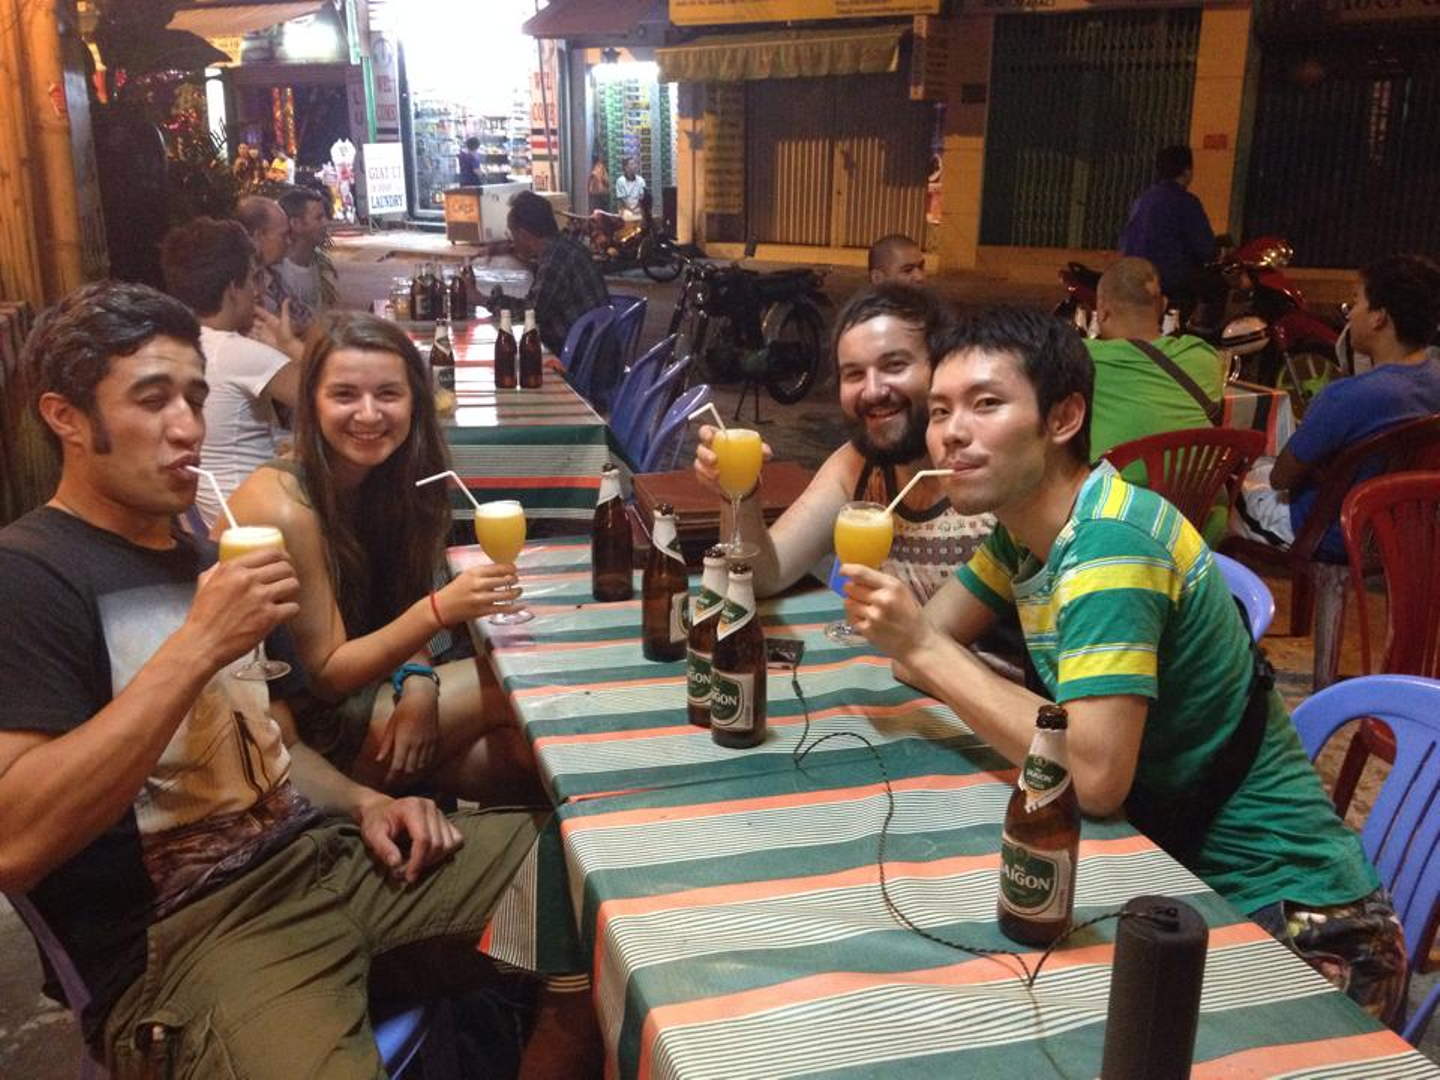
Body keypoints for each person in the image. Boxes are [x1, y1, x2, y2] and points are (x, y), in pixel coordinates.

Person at [0, 281, 599, 1077]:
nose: (187, 427)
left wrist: (368, 803)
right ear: (66, 418)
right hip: (196, 939)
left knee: (600, 883)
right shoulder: (31, 575)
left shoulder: (205, 556)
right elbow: (15, 842)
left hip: (327, 861)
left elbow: (277, 743)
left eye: (194, 398)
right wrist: (196, 647)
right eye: (152, 400)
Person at [843, 305, 1407, 1022]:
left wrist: (921, 646)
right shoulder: (1026, 533)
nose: (951, 432)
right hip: (1169, 878)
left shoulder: (1110, 543)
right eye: (942, 410)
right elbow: (916, 656)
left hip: (1302, 921)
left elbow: (1093, 776)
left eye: (986, 404)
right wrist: (916, 642)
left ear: (1063, 417)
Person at [225, 312, 539, 803]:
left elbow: (385, 616)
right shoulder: (285, 505)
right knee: (522, 686)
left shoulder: (382, 482)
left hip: (370, 698)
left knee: (521, 757)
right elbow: (327, 678)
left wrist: (419, 683)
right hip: (301, 742)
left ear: (415, 401)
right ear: (311, 400)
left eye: (388, 394)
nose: (369, 414)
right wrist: (439, 610)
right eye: (344, 395)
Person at [694, 284, 994, 605]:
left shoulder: (988, 476)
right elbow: (763, 577)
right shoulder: (858, 466)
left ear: (942, 368)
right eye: (854, 374)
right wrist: (739, 492)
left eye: (894, 365)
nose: (873, 391)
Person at [1234, 253, 1440, 556]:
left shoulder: (1347, 397)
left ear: (1379, 317)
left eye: (1356, 302)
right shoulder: (1433, 378)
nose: (1350, 314)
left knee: (1228, 492)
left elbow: (1281, 478)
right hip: (1402, 531)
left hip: (1329, 532)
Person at [159, 217, 299, 527]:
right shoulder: (235, 353)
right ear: (234, 289)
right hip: (256, 521)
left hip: (207, 519)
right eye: (253, 279)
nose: (258, 291)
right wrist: (289, 345)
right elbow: (333, 395)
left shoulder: (179, 344)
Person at [1087, 256, 1228, 543]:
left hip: (1115, 526)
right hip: (1197, 528)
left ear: (1101, 311)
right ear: (1163, 306)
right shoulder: (1203, 356)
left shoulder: (1081, 359)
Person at [1117, 146, 1217, 323]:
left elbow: (1125, 240)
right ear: (1187, 172)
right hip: (1170, 279)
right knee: (1217, 285)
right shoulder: (1186, 202)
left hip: (1135, 275)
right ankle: (1202, 330)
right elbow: (1205, 247)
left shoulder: (1143, 200)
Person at [506, 189, 610, 357]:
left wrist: (484, 300)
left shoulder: (554, 260)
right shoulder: (565, 245)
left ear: (524, 235)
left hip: (580, 358)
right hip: (598, 349)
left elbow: (532, 314)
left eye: (512, 234)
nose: (513, 241)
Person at [236, 195, 313, 334]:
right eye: (283, 235)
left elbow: (305, 318)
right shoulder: (235, 283)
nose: (288, 242)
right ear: (258, 236)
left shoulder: (270, 274)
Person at [275, 187, 335, 319]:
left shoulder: (311, 263)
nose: (326, 223)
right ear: (296, 224)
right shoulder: (279, 274)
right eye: (318, 218)